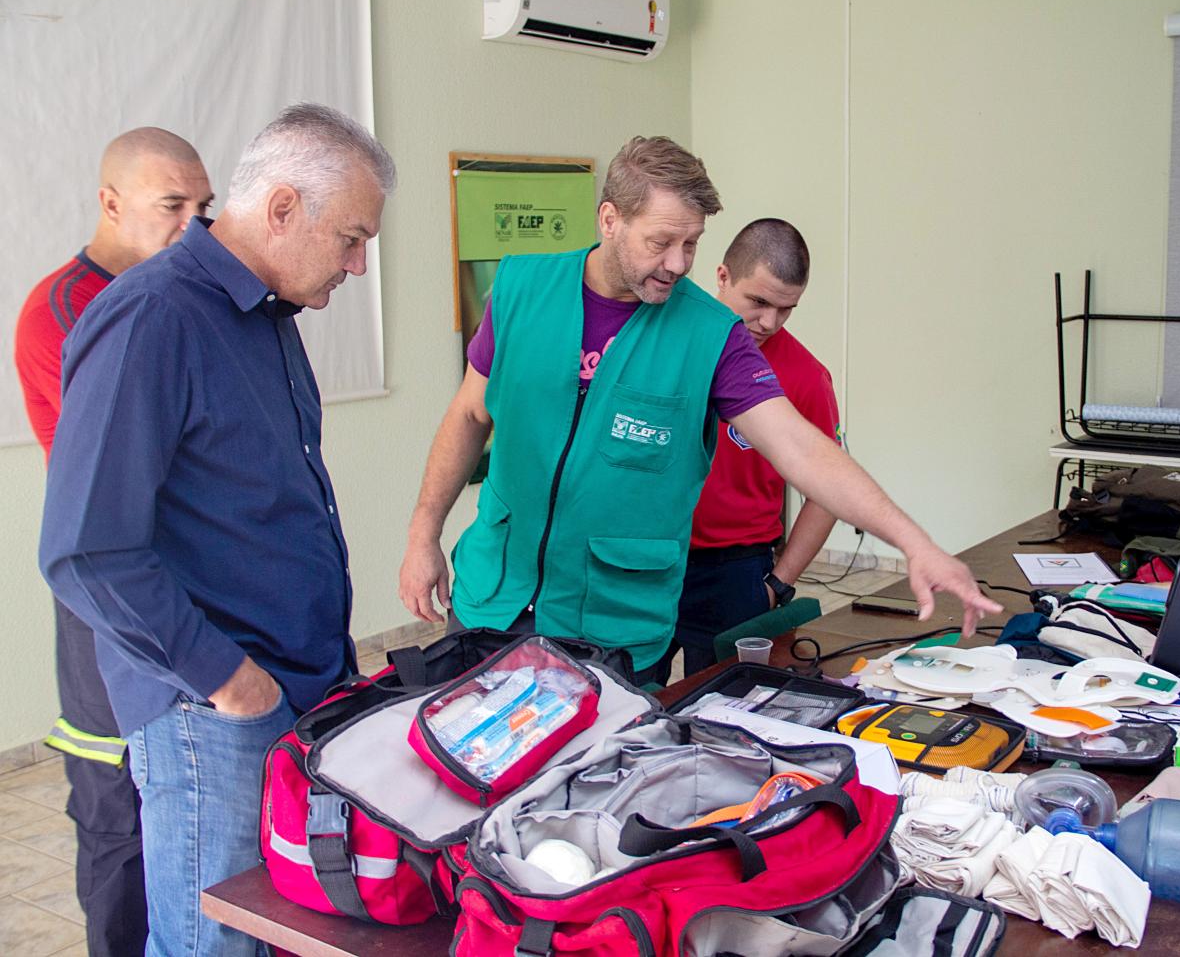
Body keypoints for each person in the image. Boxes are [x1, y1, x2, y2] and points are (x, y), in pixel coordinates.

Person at [399, 136, 1000, 683]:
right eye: (661, 242)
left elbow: (800, 446)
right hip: (494, 599)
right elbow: (471, 414)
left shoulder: (712, 335)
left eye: (692, 243)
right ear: (610, 220)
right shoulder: (521, 288)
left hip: (612, 627)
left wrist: (914, 543)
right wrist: (424, 533)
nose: (679, 263)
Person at [39, 104, 394, 956]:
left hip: (296, 686)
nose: (357, 262)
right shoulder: (152, 317)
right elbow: (85, 550)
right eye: (349, 237)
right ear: (280, 208)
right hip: (217, 712)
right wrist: (231, 684)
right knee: (212, 945)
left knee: (279, 930)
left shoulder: (268, 317)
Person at [14, 126, 212, 957]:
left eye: (205, 208)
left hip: (191, 584)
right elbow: (149, 463)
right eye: (173, 206)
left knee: (194, 800)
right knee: (114, 803)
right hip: (111, 590)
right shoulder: (67, 311)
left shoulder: (187, 297)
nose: (192, 226)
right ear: (111, 202)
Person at [670, 218, 841, 675]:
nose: (770, 322)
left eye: (786, 309)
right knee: (627, 698)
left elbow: (827, 494)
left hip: (736, 572)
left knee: (727, 710)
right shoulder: (668, 341)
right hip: (650, 560)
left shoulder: (806, 376)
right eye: (759, 302)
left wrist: (779, 584)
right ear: (722, 276)